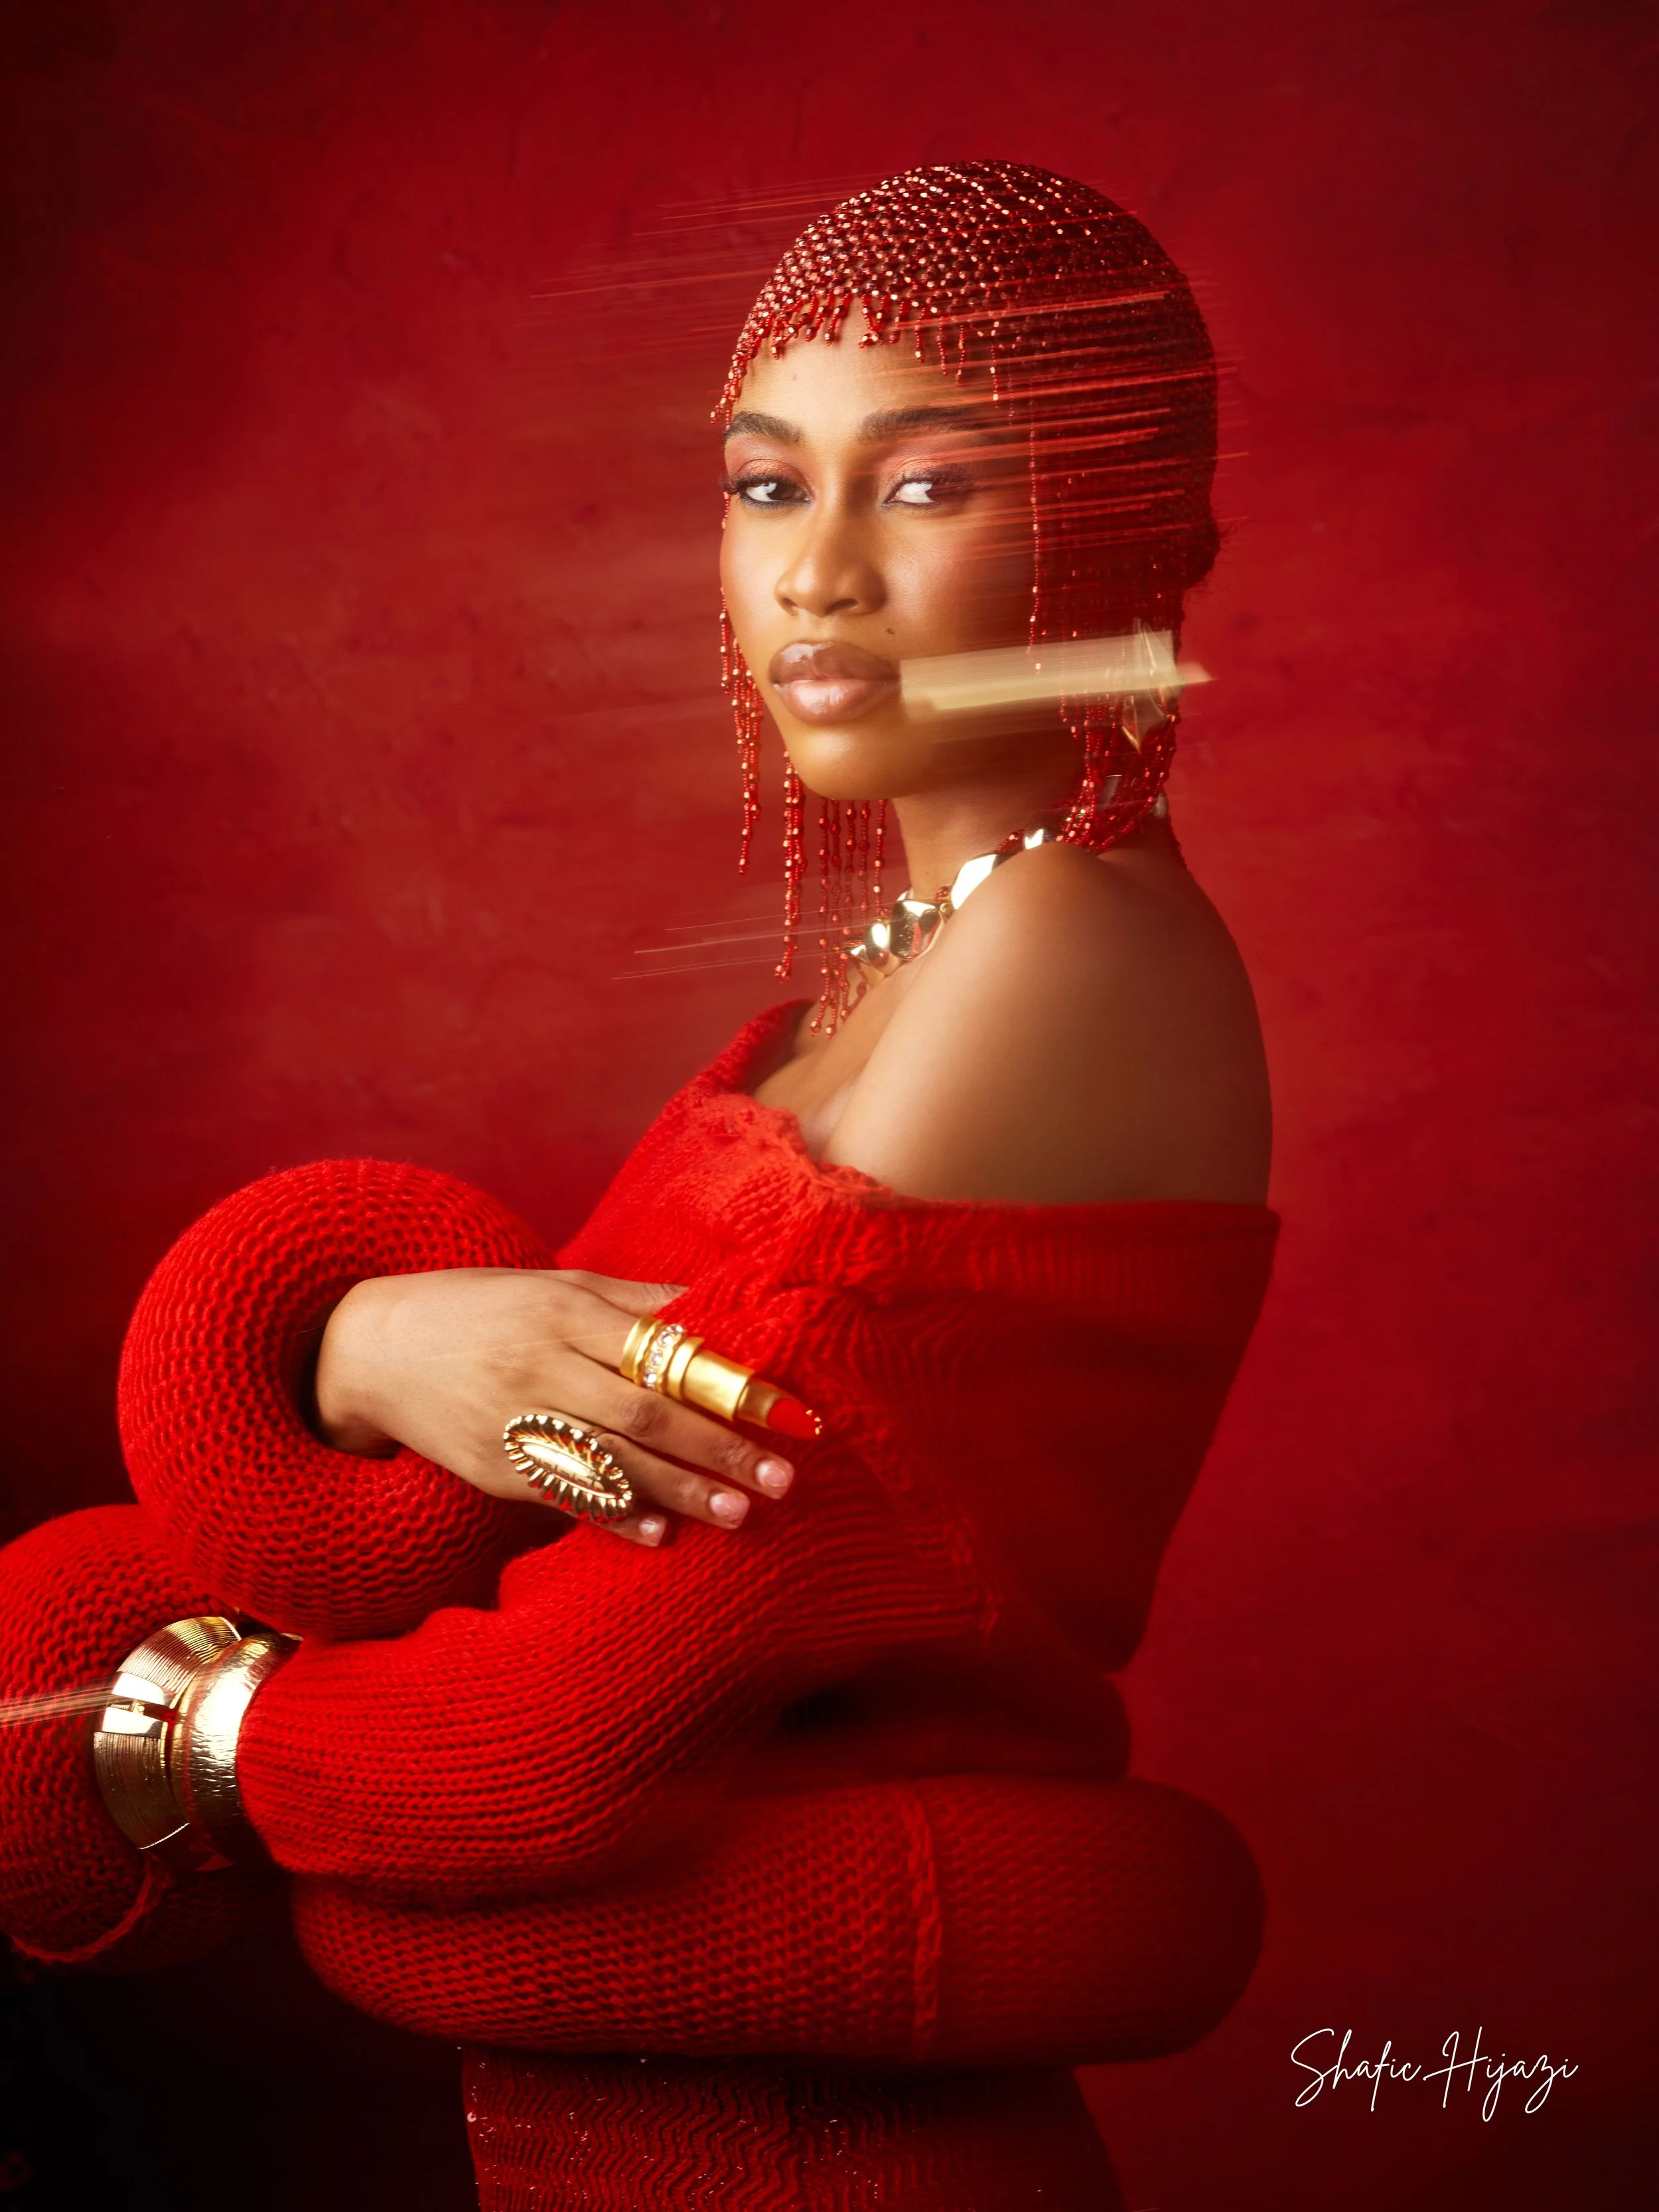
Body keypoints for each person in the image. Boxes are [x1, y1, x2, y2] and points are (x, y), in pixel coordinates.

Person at [0, 163, 1275, 2209]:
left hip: (821, 2157)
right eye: (767, 485)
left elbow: (574, 1712)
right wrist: (359, 1330)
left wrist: (176, 1731)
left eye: (927, 488)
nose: (818, 577)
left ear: (1114, 515)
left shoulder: (1070, 961)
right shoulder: (884, 976)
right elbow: (464, 1520)